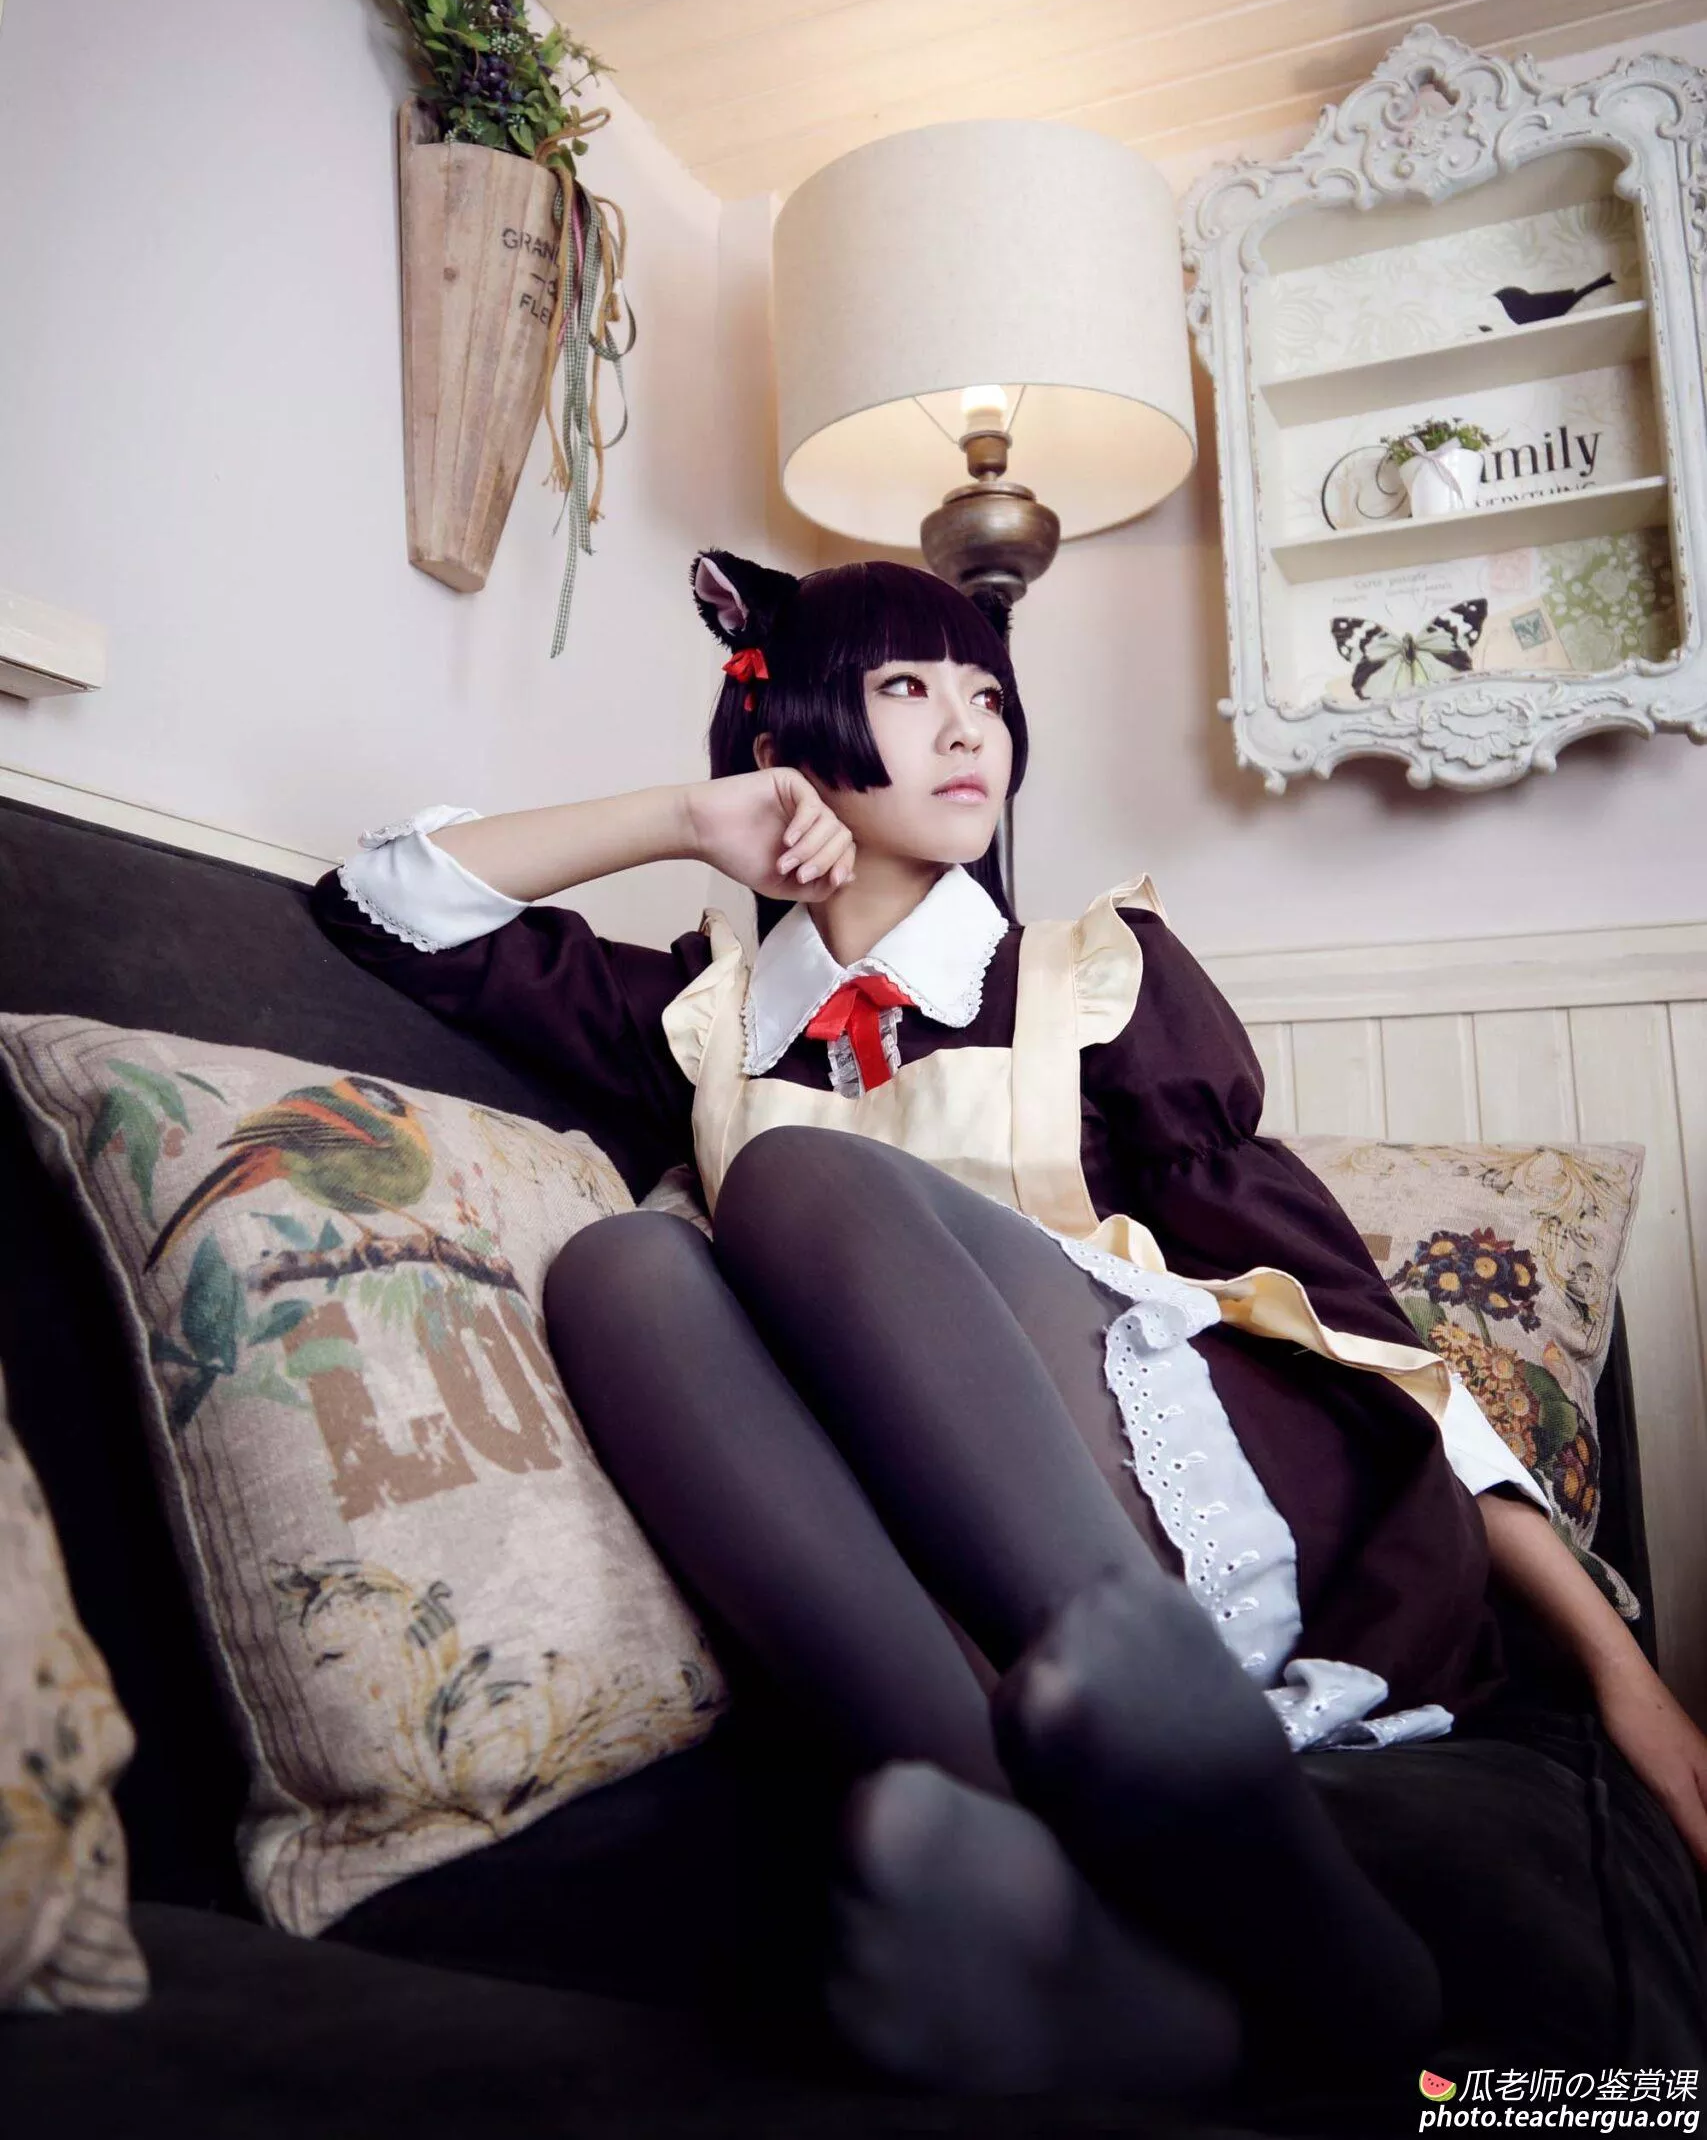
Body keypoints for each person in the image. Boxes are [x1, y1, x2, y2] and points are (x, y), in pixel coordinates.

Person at [309, 550, 1707, 2104]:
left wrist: (1618, 1670)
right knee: (620, 1268)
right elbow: (384, 904)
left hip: (1174, 1524)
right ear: (787, 733)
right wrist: (688, 818)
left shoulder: (1092, 981)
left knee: (790, 1181)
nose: (969, 726)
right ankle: (1103, 1913)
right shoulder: (701, 1019)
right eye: (907, 686)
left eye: (986, 693)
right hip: (930, 1603)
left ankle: (1168, 1714)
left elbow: (1359, 1335)